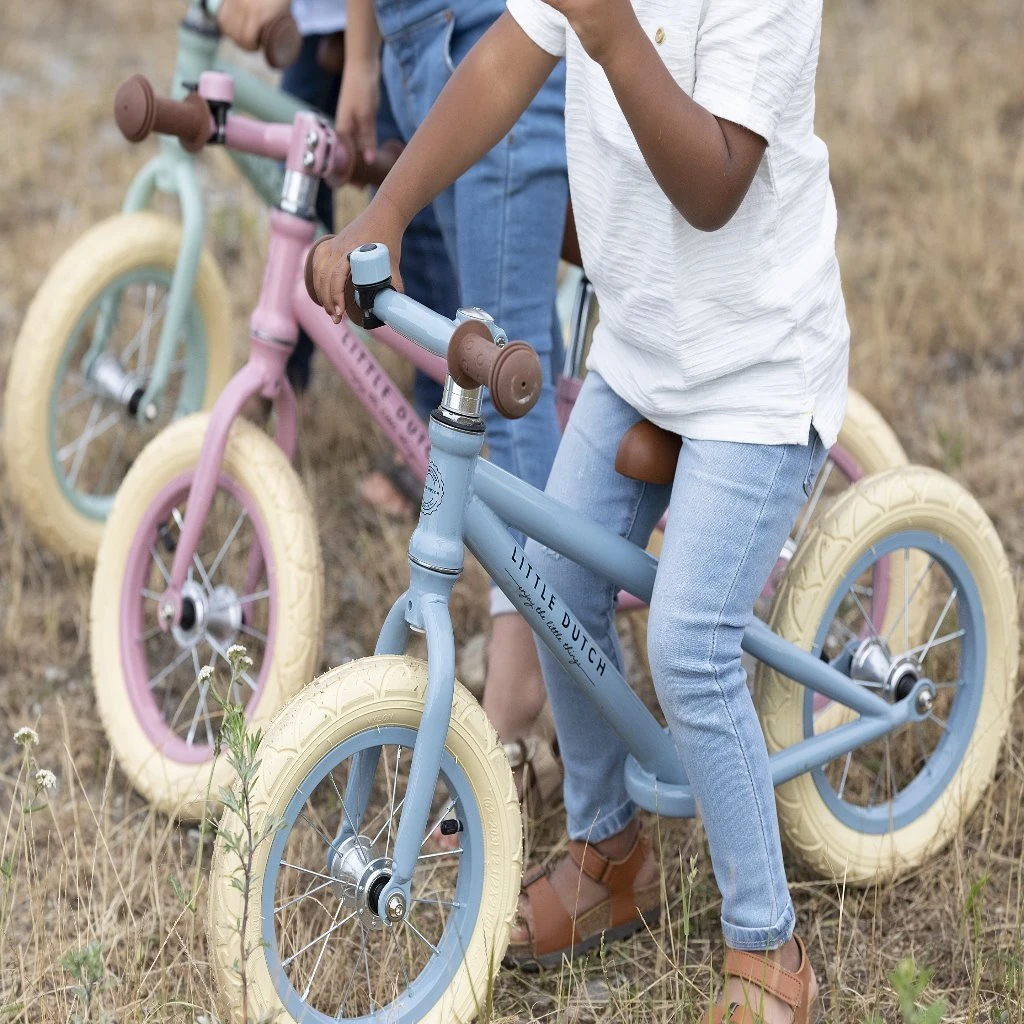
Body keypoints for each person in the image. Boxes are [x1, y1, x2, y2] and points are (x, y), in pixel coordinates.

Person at [308, 0, 849, 1020]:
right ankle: (608, 854)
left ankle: (767, 945)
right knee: (547, 576)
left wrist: (610, 34)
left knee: (690, 643)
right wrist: (391, 209)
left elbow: (715, 189)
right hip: (642, 356)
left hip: (758, 375)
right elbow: (500, 66)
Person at [218, 0, 569, 808]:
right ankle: (533, 632)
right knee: (478, 334)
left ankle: (530, 701)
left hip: (490, 35)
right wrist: (369, 54)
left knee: (503, 355)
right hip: (420, 44)